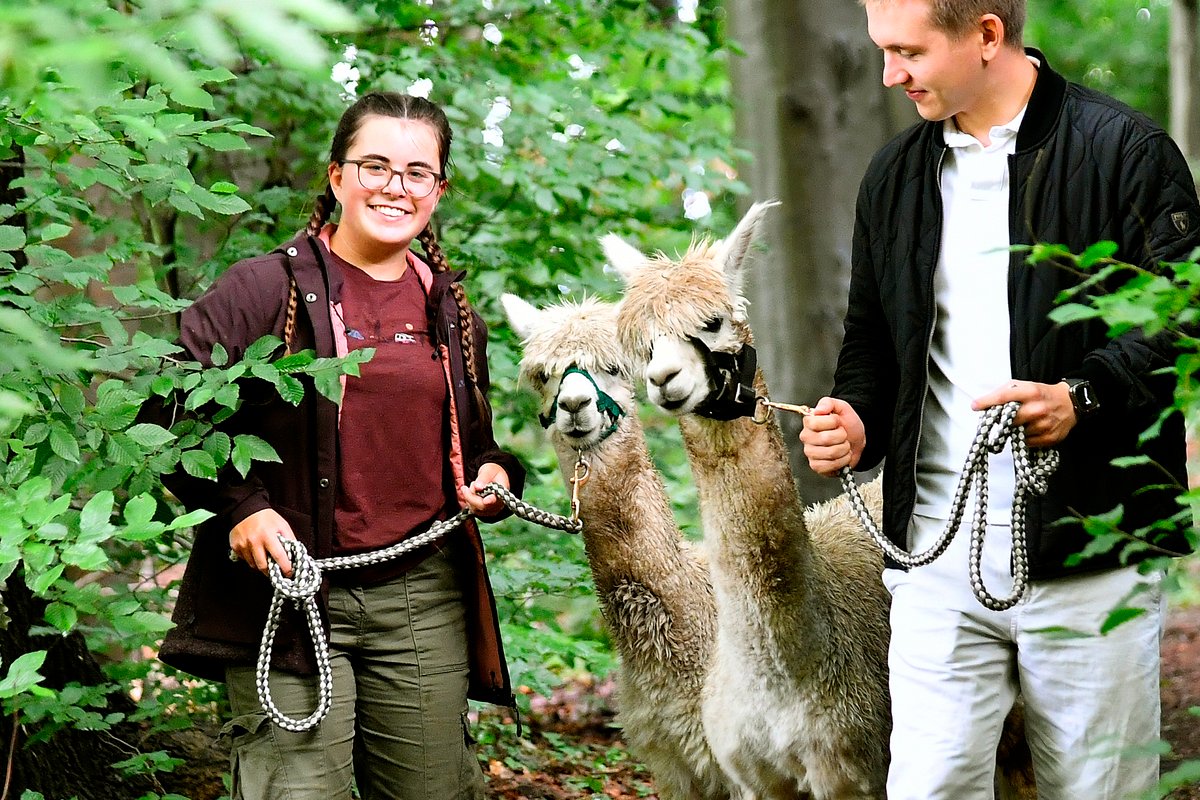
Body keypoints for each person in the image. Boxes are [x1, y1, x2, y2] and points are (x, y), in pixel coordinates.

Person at [799, 1, 1200, 798]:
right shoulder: (894, 175)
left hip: (1091, 550)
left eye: (909, 51)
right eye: (884, 50)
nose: (890, 73)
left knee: (1098, 790)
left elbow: (1183, 317)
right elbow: (872, 344)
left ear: (986, 35)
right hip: (934, 555)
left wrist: (1080, 397)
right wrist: (856, 420)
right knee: (929, 787)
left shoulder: (1127, 150)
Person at [150, 92, 525, 799]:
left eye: (418, 172)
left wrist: (499, 472)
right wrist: (244, 508)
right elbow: (166, 413)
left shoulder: (451, 309)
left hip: (421, 599)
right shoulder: (262, 289)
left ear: (439, 191)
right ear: (336, 177)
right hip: (286, 594)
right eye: (376, 165)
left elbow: (477, 446)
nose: (396, 186)